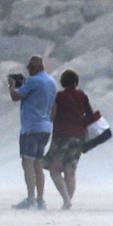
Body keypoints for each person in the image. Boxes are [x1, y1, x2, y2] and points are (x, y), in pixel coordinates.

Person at [7, 55, 57, 210]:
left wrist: (11, 85)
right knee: (38, 164)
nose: (28, 70)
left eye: (29, 67)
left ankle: (30, 199)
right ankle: (41, 200)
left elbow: (15, 97)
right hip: (45, 127)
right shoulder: (52, 82)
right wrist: (50, 121)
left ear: (35, 67)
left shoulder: (34, 81)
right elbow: (54, 106)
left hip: (31, 127)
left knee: (27, 162)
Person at [44, 69, 93, 210]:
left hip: (61, 136)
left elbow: (51, 116)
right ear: (76, 82)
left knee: (54, 169)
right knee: (71, 170)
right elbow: (90, 115)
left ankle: (66, 199)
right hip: (78, 137)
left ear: (62, 82)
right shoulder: (83, 96)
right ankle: (67, 202)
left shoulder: (59, 96)